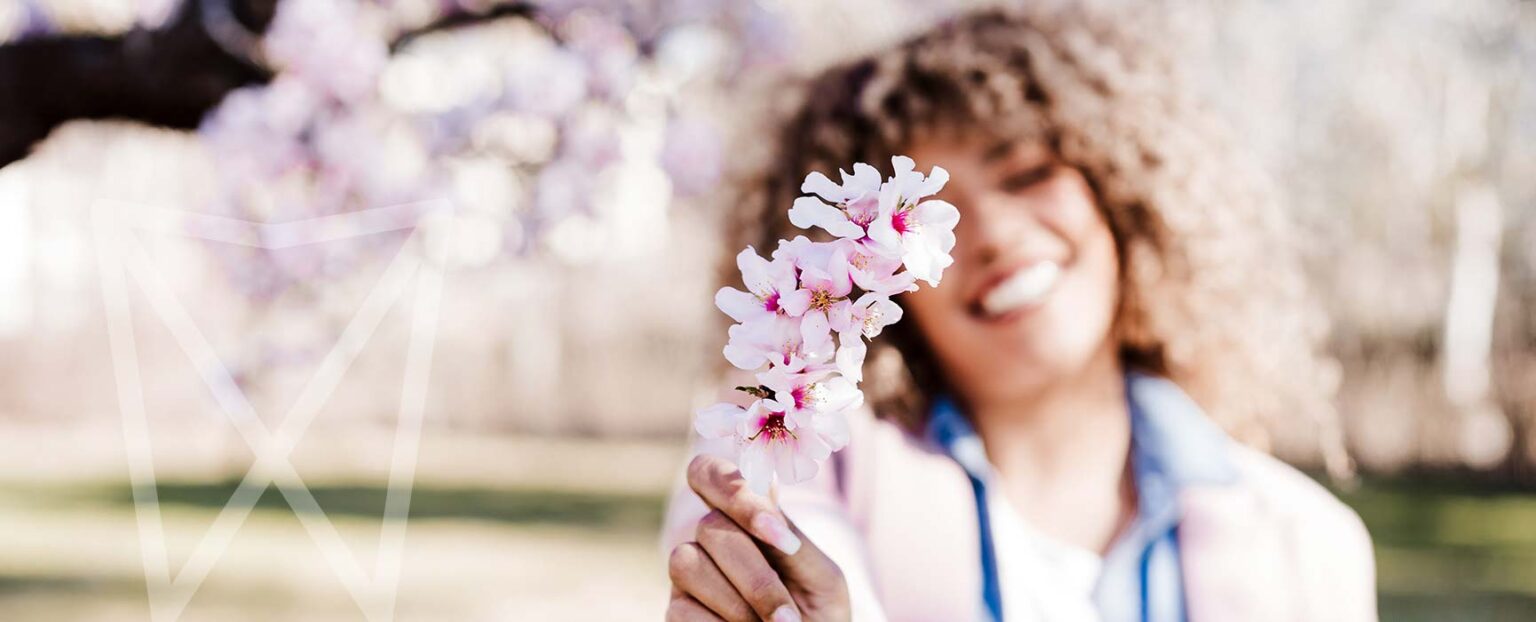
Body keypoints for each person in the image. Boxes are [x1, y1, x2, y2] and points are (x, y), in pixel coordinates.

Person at [661, 6, 1376, 622]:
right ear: (878, 289)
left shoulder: (1307, 543)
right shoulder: (804, 485)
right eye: (926, 220)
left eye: (1029, 174)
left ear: (1122, 200)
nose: (996, 235)